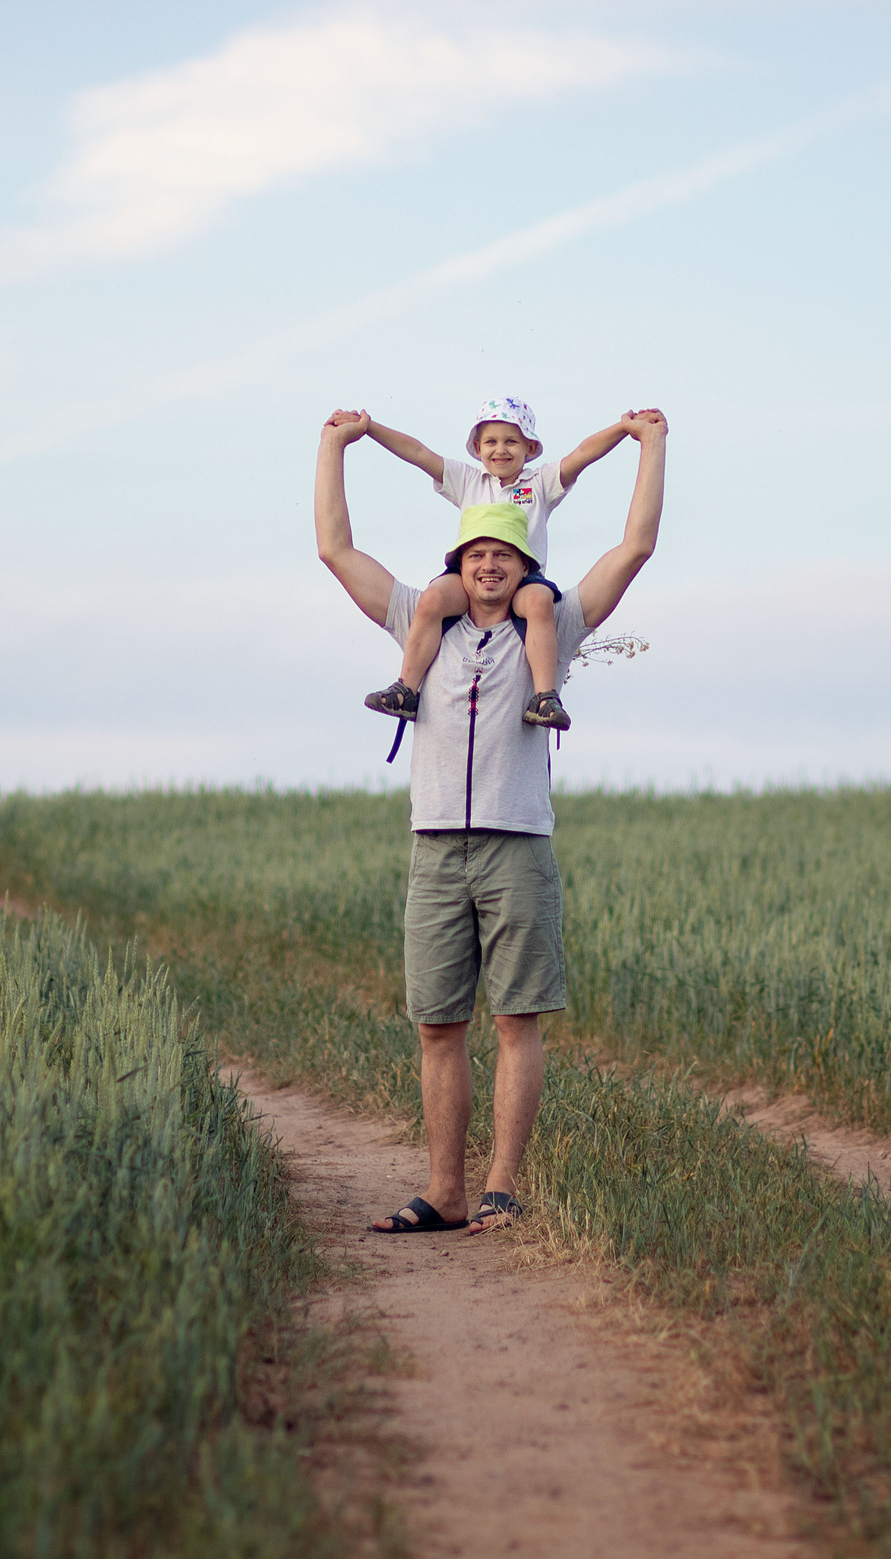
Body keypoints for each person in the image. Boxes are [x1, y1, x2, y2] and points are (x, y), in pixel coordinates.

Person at [314, 402, 669, 1234]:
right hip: (435, 849)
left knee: (516, 1021)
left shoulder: (557, 626)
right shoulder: (418, 619)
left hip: (518, 848)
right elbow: (335, 548)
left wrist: (649, 445)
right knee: (439, 1026)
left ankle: (501, 1185)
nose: (487, 565)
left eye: (503, 553)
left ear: (523, 564)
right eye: (474, 552)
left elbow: (636, 548)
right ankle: (445, 1189)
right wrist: (333, 445)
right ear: (458, 561)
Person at [351, 399, 647, 733]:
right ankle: (406, 687)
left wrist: (623, 428)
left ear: (529, 447)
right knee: (432, 598)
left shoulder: (540, 482)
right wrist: (370, 429)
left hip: (523, 578)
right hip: (471, 578)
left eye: (511, 441)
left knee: (538, 603)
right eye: (491, 441)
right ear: (477, 448)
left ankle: (545, 696)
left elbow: (582, 454)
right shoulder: (467, 479)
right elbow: (419, 453)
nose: (500, 450)